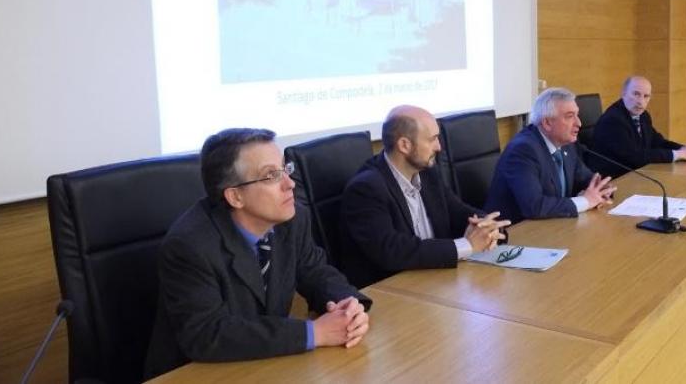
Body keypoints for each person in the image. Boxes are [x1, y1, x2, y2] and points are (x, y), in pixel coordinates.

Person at [144, 128, 370, 379]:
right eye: (272, 176)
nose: (290, 183)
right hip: (196, 373)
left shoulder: (293, 218)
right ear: (235, 196)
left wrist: (347, 306)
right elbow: (207, 333)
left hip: (265, 364)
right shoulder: (189, 246)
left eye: (286, 169)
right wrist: (313, 333)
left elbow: (315, 271)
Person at [340, 105, 509, 288]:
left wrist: (490, 229)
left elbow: (459, 212)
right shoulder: (366, 189)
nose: (439, 147)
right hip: (393, 290)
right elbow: (393, 251)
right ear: (404, 145)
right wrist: (466, 245)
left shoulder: (428, 173)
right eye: (433, 139)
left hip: (435, 280)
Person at [484, 87, 616, 224]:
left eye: (577, 115)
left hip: (552, 226)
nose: (579, 123)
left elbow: (586, 178)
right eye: (570, 116)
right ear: (547, 123)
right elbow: (534, 206)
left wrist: (602, 191)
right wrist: (586, 201)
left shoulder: (566, 144)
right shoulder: (523, 150)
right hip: (514, 232)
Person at [591, 76, 686, 178]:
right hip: (614, 182)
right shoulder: (613, 119)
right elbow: (635, 157)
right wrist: (680, 154)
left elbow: (658, 142)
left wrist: (685, 149)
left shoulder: (643, 115)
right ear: (624, 93)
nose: (641, 101)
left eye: (646, 96)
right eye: (636, 94)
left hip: (637, 176)